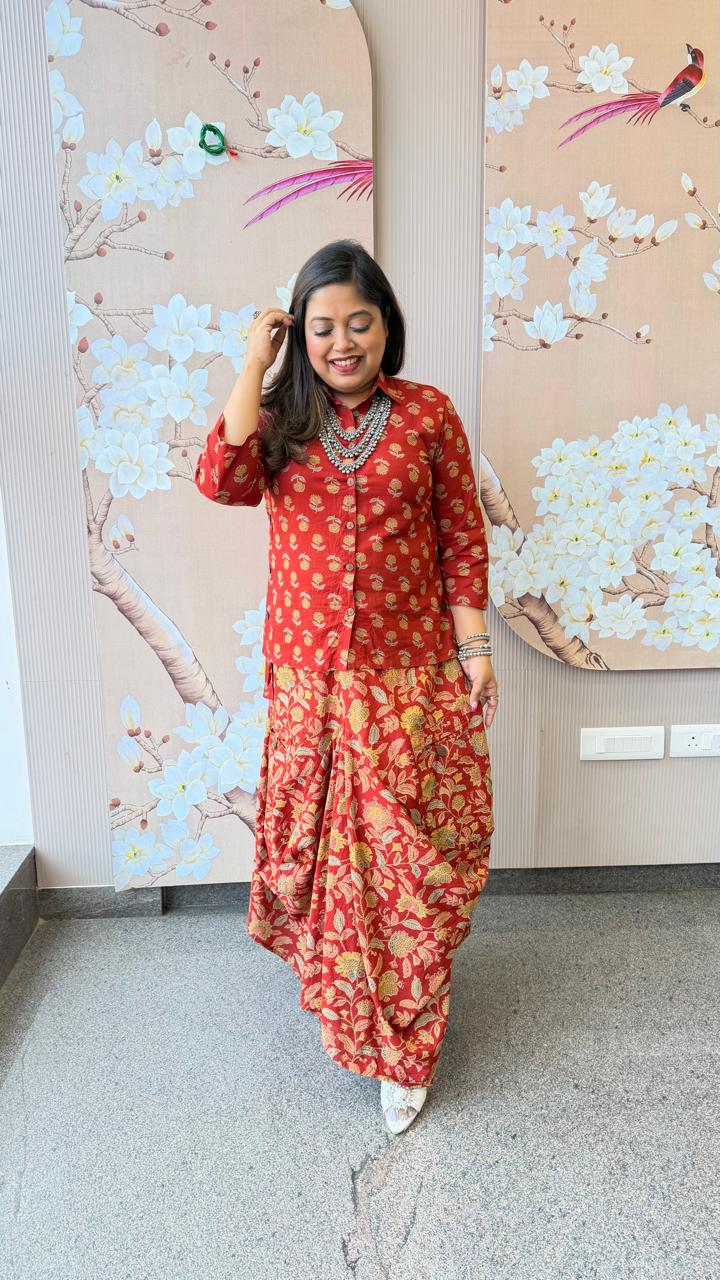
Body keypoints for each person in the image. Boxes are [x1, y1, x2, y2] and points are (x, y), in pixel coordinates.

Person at [194, 239, 499, 1135]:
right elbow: (220, 479)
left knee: (408, 865)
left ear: (385, 326)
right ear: (301, 335)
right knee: (330, 869)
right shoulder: (282, 418)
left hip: (407, 685)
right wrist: (255, 362)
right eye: (321, 327)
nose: (341, 342)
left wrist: (475, 648)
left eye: (358, 323)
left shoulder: (429, 415)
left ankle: (403, 1047)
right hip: (309, 686)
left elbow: (462, 538)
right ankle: (352, 1009)